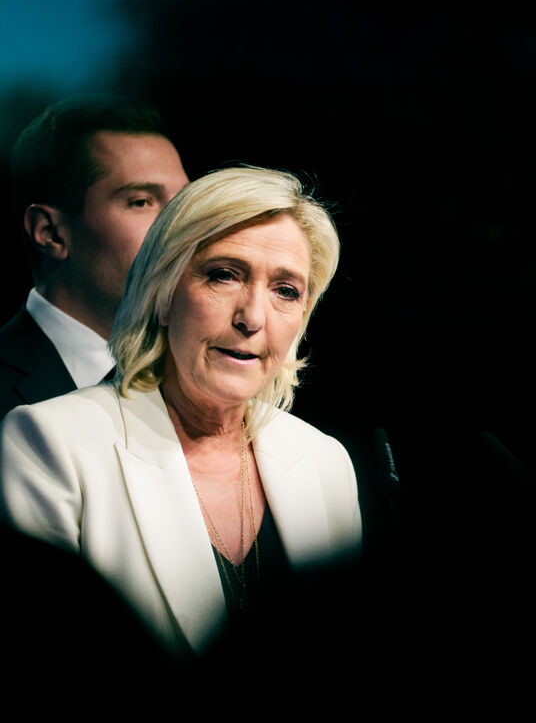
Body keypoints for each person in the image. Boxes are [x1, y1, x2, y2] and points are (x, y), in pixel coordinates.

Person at [0, 165, 362, 657]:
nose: (252, 318)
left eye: (285, 290)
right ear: (164, 294)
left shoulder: (325, 461)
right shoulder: (51, 443)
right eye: (224, 275)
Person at [0, 93, 188, 416]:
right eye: (141, 201)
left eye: (184, 201)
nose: (182, 222)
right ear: (50, 232)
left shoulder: (195, 378)